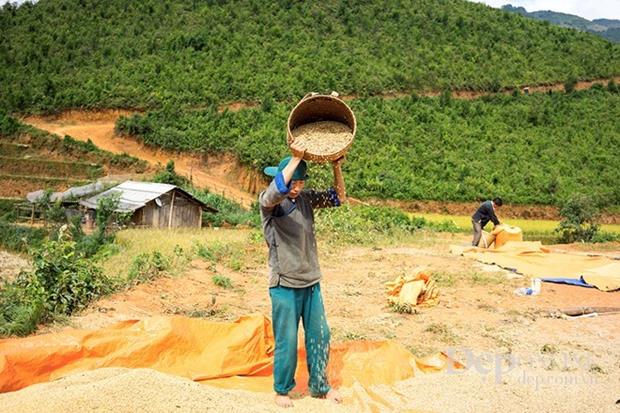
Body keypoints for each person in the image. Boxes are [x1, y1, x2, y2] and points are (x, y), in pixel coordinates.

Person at [258, 143, 345, 408]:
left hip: (311, 282)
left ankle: (320, 386)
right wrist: (297, 157)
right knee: (287, 338)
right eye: (293, 182)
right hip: (284, 283)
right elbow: (276, 192)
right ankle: (282, 390)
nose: (296, 187)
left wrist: (336, 166)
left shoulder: (305, 200)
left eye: (301, 183)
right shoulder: (269, 202)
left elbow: (338, 197)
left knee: (320, 334)